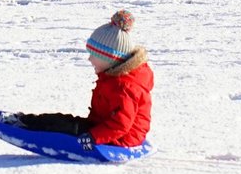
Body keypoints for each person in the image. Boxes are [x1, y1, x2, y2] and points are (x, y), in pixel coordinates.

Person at [10, 11, 154, 149]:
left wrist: (93, 137)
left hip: (119, 138)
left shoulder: (124, 86)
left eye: (94, 55)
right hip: (103, 128)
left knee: (64, 128)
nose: (89, 59)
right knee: (62, 120)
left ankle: (28, 129)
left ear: (111, 59)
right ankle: (26, 121)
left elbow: (121, 125)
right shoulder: (114, 75)